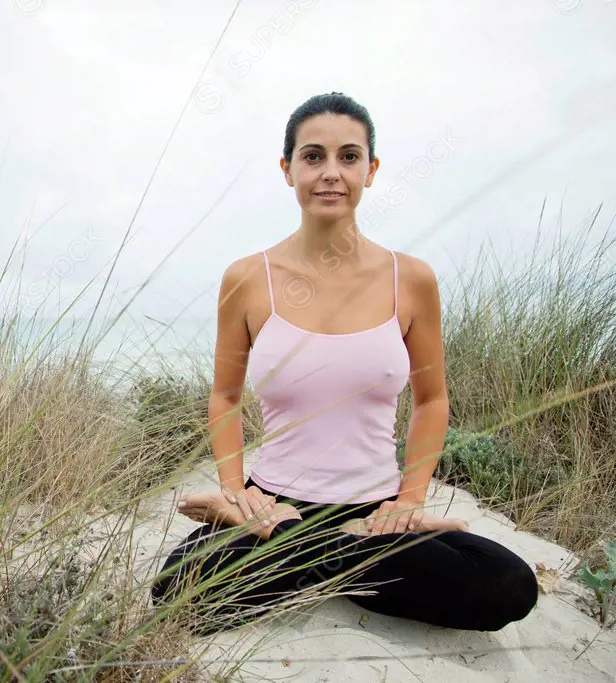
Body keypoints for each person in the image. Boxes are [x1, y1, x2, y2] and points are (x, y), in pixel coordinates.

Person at [150, 92, 538, 636]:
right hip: (275, 507)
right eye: (313, 156)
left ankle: (321, 560)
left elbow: (432, 400)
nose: (331, 173)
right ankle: (340, 563)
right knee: (176, 593)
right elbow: (225, 396)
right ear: (288, 170)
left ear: (371, 170)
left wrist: (409, 503)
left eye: (349, 157)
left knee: (509, 585)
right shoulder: (246, 278)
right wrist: (237, 495)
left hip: (375, 513)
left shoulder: (413, 279)